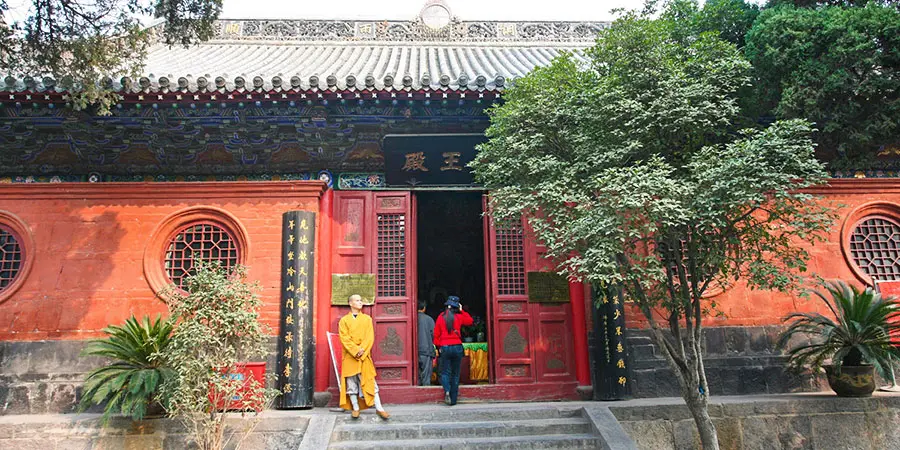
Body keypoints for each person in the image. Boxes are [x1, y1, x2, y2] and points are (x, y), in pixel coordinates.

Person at [338, 294, 390, 420]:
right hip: (350, 356)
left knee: (370, 382)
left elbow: (369, 337)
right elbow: (344, 339)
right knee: (351, 384)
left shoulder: (367, 319)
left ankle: (379, 408)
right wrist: (355, 351)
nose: (360, 302)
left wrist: (362, 351)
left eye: (361, 300)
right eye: (357, 300)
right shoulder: (344, 321)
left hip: (364, 356)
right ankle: (355, 408)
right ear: (350, 303)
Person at [433, 295, 473, 406]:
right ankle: (453, 399)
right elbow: (470, 321)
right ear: (456, 306)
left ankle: (447, 390)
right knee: (455, 374)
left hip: (445, 347)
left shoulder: (441, 317)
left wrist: (438, 347)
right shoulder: (459, 317)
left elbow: (436, 334)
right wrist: (462, 310)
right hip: (457, 346)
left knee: (445, 372)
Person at [417, 299, 436, 386]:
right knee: (426, 376)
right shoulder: (429, 319)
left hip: (414, 352)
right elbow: (434, 335)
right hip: (426, 349)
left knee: (416, 376)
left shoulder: (413, 318)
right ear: (424, 308)